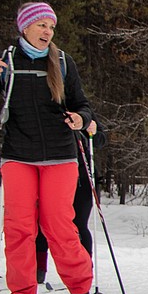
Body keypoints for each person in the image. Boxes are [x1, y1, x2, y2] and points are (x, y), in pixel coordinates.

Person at [0, 2, 94, 294]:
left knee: (58, 225)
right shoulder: (6, 62)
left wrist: (80, 118)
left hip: (60, 156)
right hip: (18, 156)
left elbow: (82, 104)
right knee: (19, 227)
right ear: (25, 27)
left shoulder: (62, 62)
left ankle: (79, 286)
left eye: (51, 27)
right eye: (42, 25)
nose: (48, 32)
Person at [36, 117, 104, 284]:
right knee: (43, 223)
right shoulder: (47, 109)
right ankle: (38, 270)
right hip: (53, 174)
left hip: (82, 178)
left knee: (79, 224)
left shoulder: (81, 109)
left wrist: (92, 130)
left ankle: (85, 271)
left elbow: (101, 139)